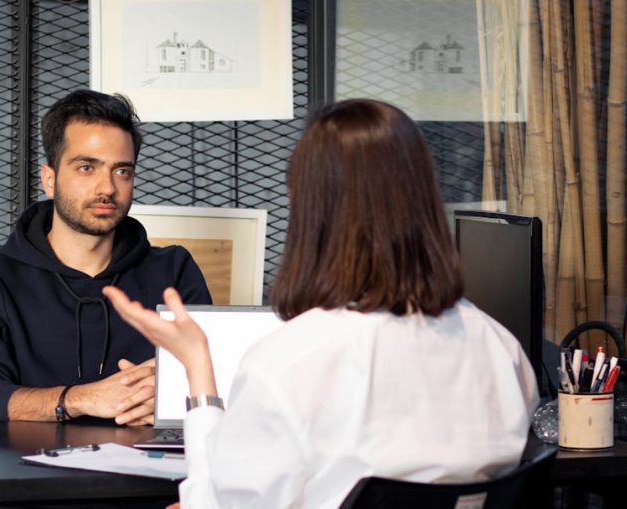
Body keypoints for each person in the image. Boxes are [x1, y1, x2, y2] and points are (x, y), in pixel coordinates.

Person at [103, 99, 539, 507]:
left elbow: (217, 502)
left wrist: (197, 365)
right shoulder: (499, 348)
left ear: (310, 209)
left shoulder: (291, 362)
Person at [0, 90, 211, 425]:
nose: (107, 188)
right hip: (27, 458)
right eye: (86, 167)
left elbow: (211, 378)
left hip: (149, 456)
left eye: (122, 171)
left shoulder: (174, 271)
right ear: (49, 179)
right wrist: (80, 399)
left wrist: (168, 397)